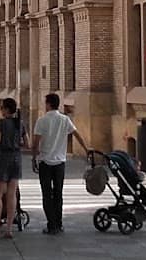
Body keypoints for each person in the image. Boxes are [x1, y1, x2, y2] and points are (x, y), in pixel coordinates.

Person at [31, 93, 89, 235]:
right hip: (60, 162)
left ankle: (51, 224)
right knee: (58, 193)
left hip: (45, 161)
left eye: (46, 103)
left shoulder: (42, 120)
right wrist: (87, 149)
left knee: (46, 194)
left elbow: (36, 142)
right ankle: (59, 223)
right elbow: (76, 134)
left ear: (49, 104)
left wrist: (34, 158)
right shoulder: (65, 119)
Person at [0, 97, 25, 239]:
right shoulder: (20, 123)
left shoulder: (1, 123)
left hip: (3, 159)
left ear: (7, 109)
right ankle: (9, 229)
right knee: (12, 194)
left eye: (1, 107)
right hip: (17, 159)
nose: (0, 110)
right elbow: (26, 143)